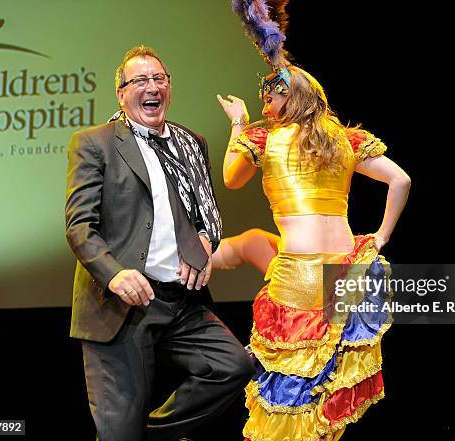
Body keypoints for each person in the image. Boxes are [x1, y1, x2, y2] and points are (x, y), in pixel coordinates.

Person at [65, 45, 254, 441]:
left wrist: (204, 238)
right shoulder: (95, 143)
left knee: (232, 366)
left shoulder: (191, 142)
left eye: (159, 79)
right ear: (121, 93)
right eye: (140, 81)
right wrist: (114, 274)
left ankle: (152, 435)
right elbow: (79, 225)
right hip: (119, 303)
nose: (152, 87)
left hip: (180, 300)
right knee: (118, 431)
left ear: (169, 87)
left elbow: (206, 210)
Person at [217, 62, 410, 440]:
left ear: (287, 95)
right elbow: (400, 180)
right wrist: (382, 236)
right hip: (346, 273)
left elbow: (230, 178)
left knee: (290, 391)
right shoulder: (344, 139)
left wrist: (238, 124)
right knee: (327, 385)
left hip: (300, 277)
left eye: (269, 99)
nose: (265, 109)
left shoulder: (265, 139)